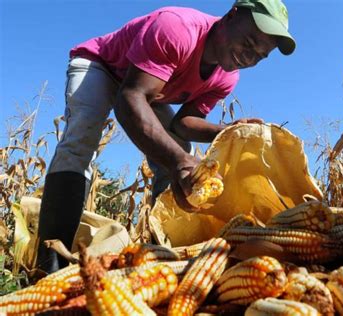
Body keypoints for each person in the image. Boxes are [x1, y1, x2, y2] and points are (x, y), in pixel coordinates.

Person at [36, 0, 296, 273]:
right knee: (81, 140)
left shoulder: (227, 77)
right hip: (102, 67)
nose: (249, 56)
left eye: (260, 55)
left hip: (147, 89)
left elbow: (182, 124)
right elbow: (130, 99)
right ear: (231, 16)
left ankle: (158, 253)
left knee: (180, 148)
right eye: (249, 41)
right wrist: (178, 162)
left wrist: (230, 131)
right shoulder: (177, 28)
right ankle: (49, 262)